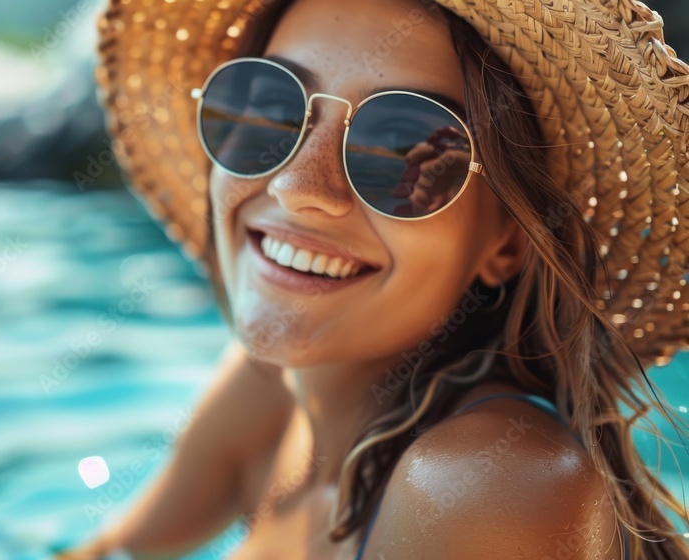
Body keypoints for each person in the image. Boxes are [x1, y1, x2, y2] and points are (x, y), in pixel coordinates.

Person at [59, 0, 689, 557]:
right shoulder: (266, 393)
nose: (297, 187)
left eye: (401, 149)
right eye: (272, 112)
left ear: (507, 244)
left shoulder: (484, 486)